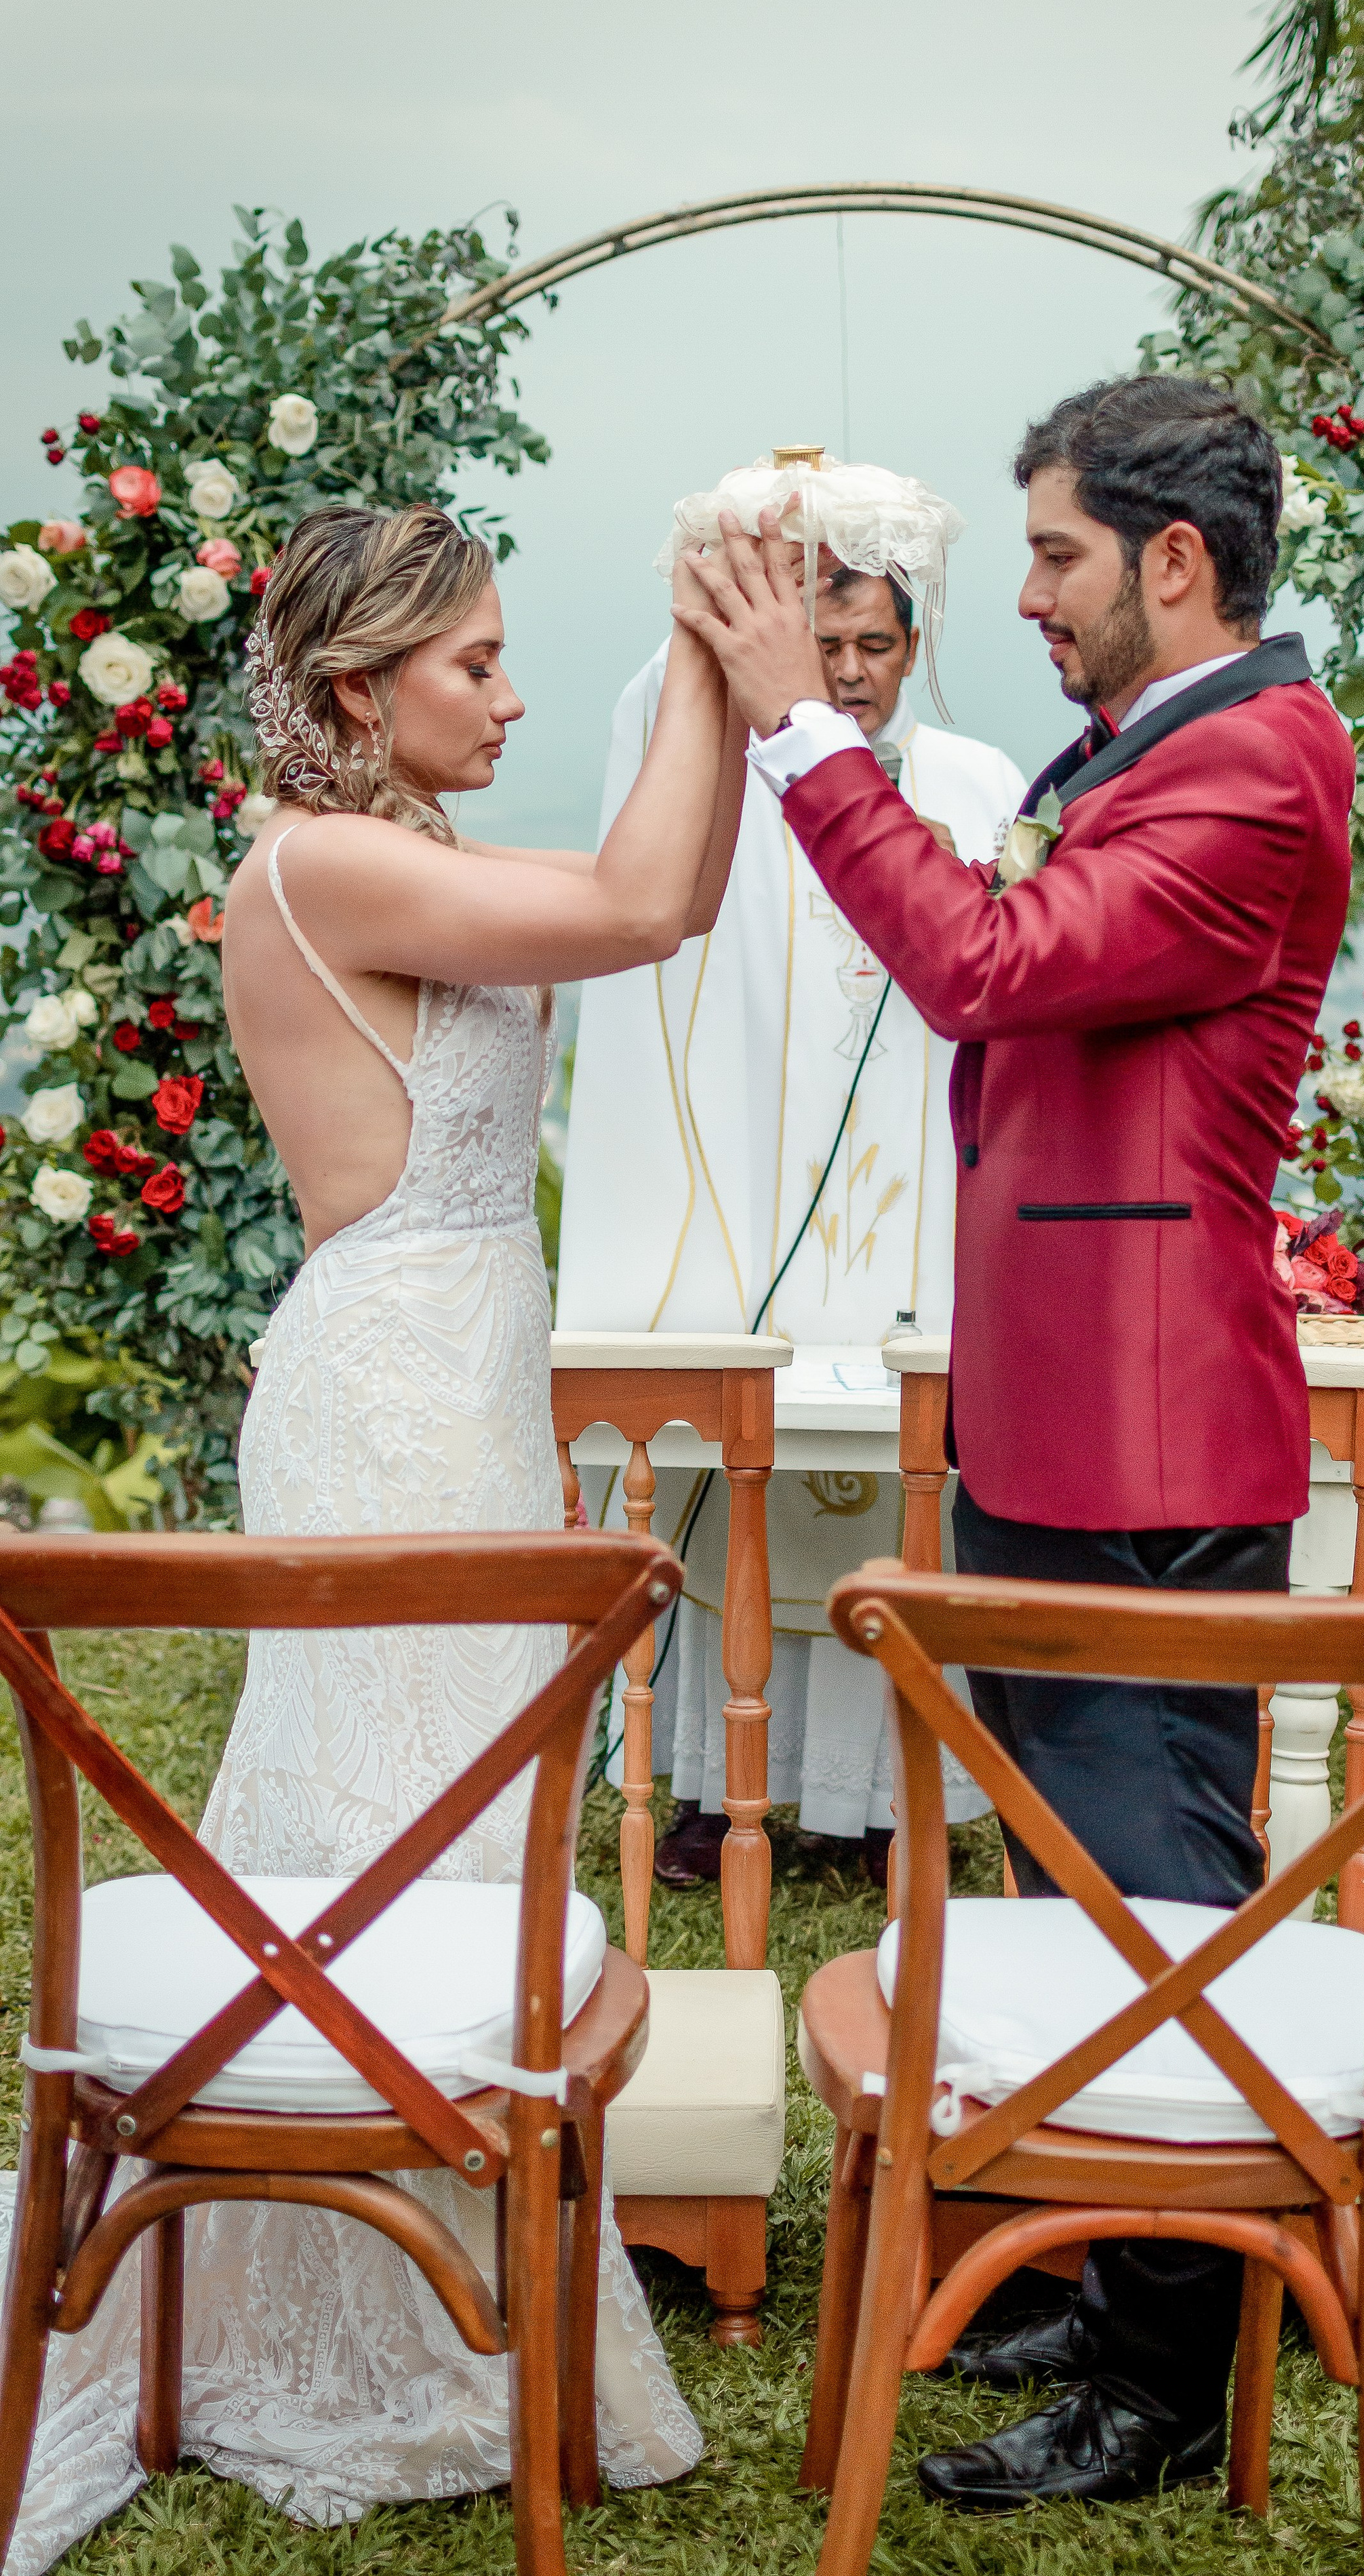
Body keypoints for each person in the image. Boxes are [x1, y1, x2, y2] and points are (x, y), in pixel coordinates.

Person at [0, 503, 736, 2571]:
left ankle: (414, 2264)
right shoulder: (325, 865)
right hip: (394, 1403)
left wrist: (728, 694)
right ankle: (343, 2272)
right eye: (478, 662)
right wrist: (703, 639)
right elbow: (645, 895)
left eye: (513, 659)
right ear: (354, 688)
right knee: (403, 1820)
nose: (508, 693)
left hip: (461, 1379)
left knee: (453, 1823)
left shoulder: (403, 853)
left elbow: (652, 890)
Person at [673, 375, 1355, 2509]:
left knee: (1152, 1889)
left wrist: (803, 726)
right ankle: (1122, 2251)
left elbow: (982, 961)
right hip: (1076, 1416)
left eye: (1056, 551)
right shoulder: (1162, 746)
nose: (1030, 593)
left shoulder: (1251, 765)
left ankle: (1165, 2377)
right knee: (1079, 1874)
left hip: (1152, 1444)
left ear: (1175, 558)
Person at [557, 562, 1025, 1888]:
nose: (853, 670)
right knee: (736, 1472)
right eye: (824, 644)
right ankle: (717, 1779)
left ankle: (891, 1794)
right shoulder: (724, 787)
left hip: (912, 1205)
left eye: (877, 643)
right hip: (757, 1214)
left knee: (899, 1489)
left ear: (914, 644)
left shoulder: (979, 783)